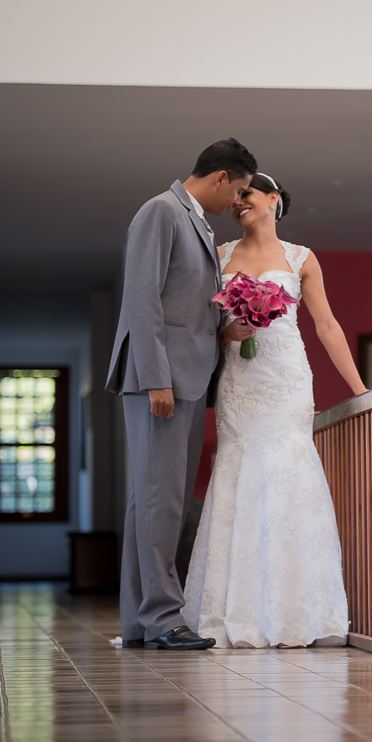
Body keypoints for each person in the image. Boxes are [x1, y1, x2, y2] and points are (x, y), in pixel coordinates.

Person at [183, 172, 366, 648]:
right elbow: (198, 324)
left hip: (286, 381)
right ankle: (237, 612)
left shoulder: (301, 258)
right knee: (238, 478)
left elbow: (326, 326)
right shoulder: (219, 255)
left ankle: (296, 612)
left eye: (247, 195)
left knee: (289, 478)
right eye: (235, 198)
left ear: (273, 199)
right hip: (240, 384)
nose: (238, 203)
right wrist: (226, 333)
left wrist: (360, 388)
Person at [106, 138, 258, 650]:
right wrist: (156, 378)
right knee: (162, 501)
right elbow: (142, 298)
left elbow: (185, 305)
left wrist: (224, 329)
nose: (238, 203)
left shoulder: (196, 220)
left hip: (186, 376)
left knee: (150, 501)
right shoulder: (161, 212)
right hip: (163, 380)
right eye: (238, 191)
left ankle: (138, 623)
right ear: (219, 177)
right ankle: (165, 620)